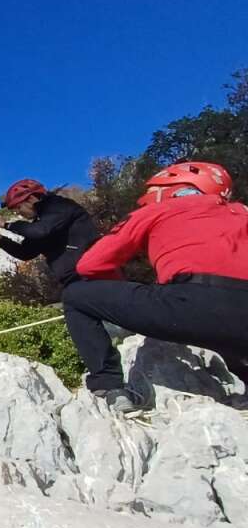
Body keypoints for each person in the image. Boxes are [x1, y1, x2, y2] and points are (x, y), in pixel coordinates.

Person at [63, 161, 248, 414]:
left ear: (170, 187)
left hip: (188, 304)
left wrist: (127, 298)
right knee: (228, 329)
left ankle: (109, 387)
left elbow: (90, 265)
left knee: (76, 295)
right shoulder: (242, 211)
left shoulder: (160, 210)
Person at [0, 179, 101, 286]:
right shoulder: (41, 221)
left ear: (31, 199)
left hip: (96, 274)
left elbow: (40, 231)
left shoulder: (58, 206)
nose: (19, 214)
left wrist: (7, 225)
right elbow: (26, 253)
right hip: (72, 282)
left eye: (19, 208)